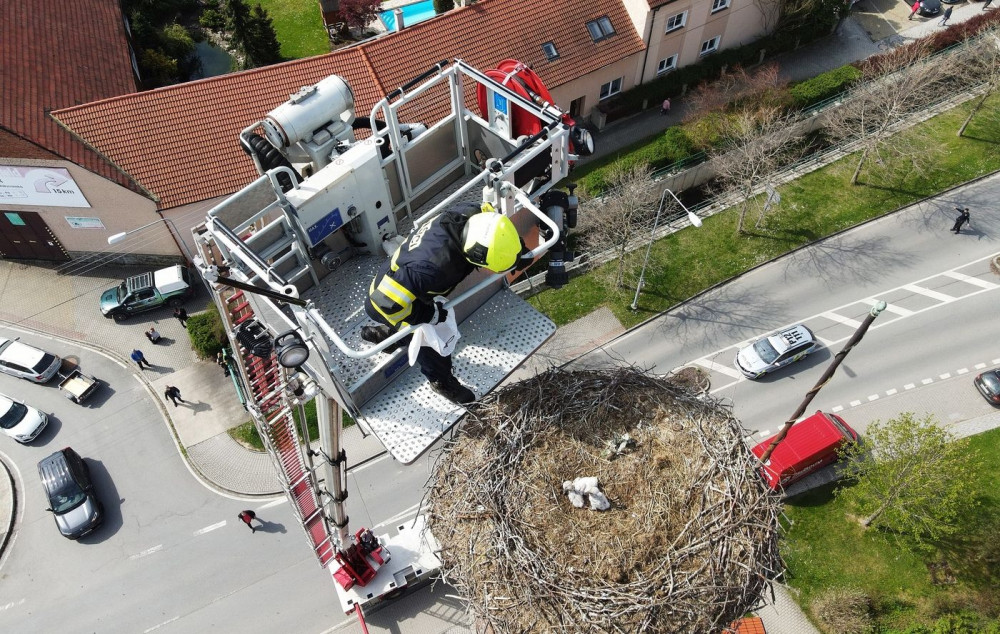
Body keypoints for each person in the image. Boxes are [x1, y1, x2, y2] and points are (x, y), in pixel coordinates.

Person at [361, 202, 532, 404]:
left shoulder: (472, 214)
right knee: (431, 338)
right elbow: (383, 302)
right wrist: (428, 315)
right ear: (475, 255)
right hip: (388, 299)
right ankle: (441, 382)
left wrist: (514, 252)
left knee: (421, 324)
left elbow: (495, 230)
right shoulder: (431, 269)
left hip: (407, 282)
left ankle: (385, 336)